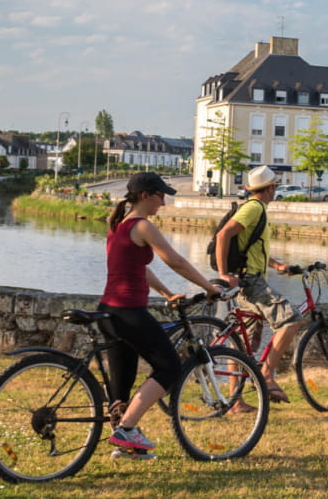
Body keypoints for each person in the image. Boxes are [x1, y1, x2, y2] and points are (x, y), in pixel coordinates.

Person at [99, 171, 221, 459]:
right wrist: (209, 287)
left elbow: (138, 268)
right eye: (160, 196)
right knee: (169, 368)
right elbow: (176, 261)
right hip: (129, 312)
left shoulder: (118, 225)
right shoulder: (142, 226)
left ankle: (128, 444)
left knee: (123, 380)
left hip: (108, 311)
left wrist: (166, 294)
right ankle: (127, 430)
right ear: (145, 195)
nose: (163, 203)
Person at [213, 165, 303, 404]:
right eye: (275, 186)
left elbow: (251, 248)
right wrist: (223, 274)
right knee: (291, 319)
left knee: (243, 343)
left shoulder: (255, 209)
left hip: (249, 278)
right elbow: (224, 235)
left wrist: (276, 266)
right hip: (250, 281)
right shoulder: (254, 208)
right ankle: (267, 374)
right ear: (270, 188)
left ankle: (235, 402)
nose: (276, 190)